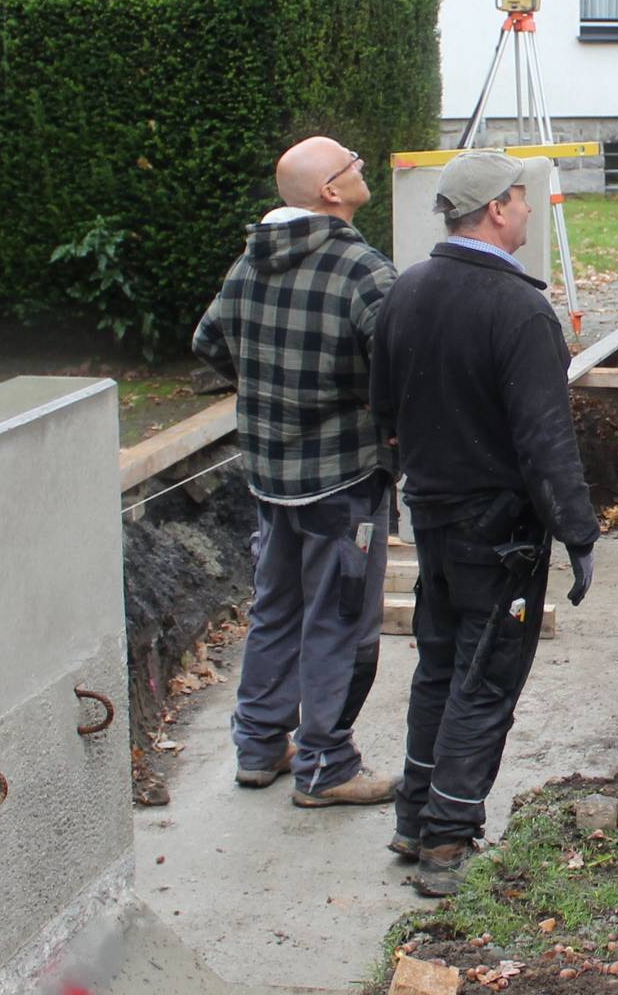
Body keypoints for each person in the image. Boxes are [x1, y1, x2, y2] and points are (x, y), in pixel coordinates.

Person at [367, 149, 601, 898]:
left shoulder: (406, 291)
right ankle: (445, 839)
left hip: (431, 515)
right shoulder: (520, 310)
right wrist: (579, 531)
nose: (530, 210)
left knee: (438, 664)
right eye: (524, 199)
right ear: (497, 208)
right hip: (498, 535)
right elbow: (544, 437)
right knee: (486, 676)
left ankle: (415, 813)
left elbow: (384, 410)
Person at [190, 135, 400, 807]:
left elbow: (207, 345)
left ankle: (258, 749)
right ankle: (324, 769)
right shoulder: (362, 271)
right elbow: (396, 378)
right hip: (344, 483)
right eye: (352, 165)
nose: (362, 167)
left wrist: (270, 397)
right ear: (330, 193)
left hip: (269, 476)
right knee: (341, 619)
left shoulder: (247, 266)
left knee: (276, 607)